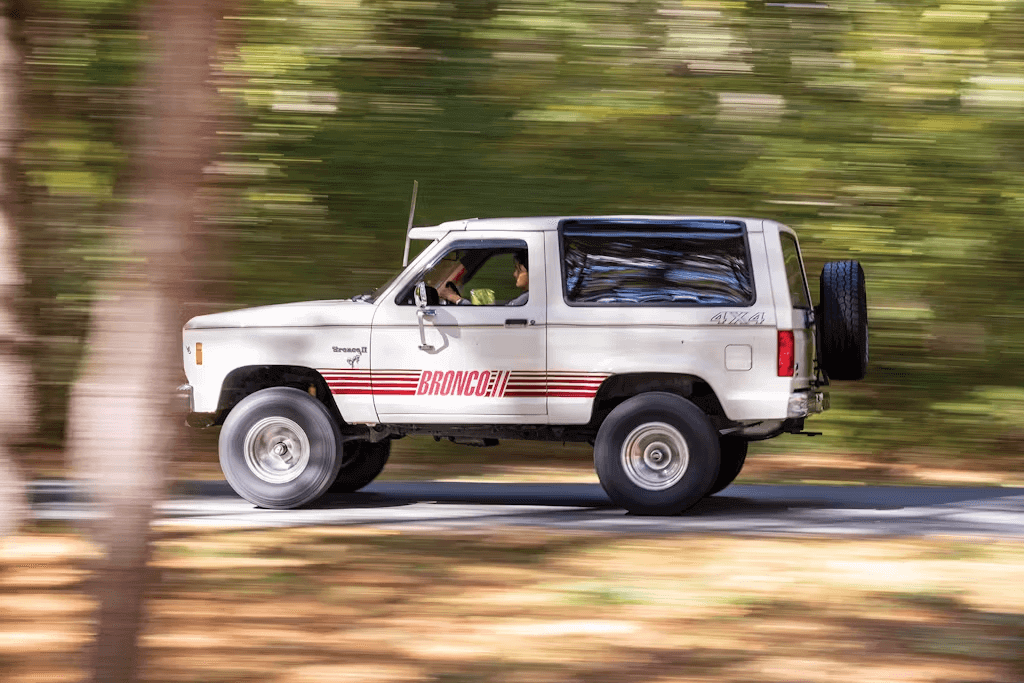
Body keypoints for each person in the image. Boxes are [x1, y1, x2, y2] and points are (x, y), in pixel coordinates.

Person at [439, 250, 529, 306]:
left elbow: (493, 318)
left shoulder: (525, 299)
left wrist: (456, 299)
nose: (514, 274)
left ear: (532, 273)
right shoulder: (526, 298)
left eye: (519, 270)